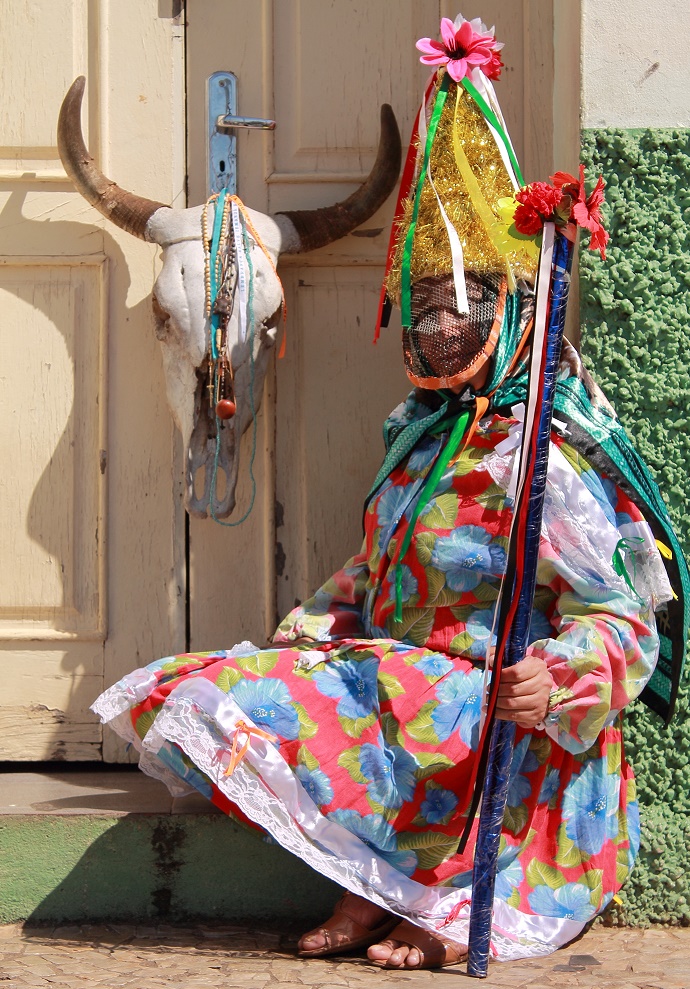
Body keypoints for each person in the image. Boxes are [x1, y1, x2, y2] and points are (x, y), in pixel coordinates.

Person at [92, 13, 685, 970]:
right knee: (215, 690)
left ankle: (444, 895)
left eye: (463, 305)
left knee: (443, 708)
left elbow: (625, 622)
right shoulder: (416, 442)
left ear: (511, 313)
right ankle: (378, 883)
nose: (441, 325)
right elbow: (380, 569)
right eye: (426, 304)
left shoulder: (546, 455)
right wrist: (313, 625)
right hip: (407, 701)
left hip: (506, 727)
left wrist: (555, 675)